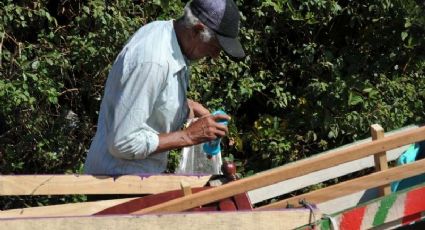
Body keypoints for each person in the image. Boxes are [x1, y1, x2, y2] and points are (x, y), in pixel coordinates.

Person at [84, 0, 245, 175]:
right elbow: (122, 143)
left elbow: (151, 98)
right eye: (215, 47)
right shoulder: (154, 61)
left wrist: (188, 107)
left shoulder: (166, 33)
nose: (215, 56)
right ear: (197, 30)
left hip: (134, 182)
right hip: (116, 186)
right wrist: (188, 135)